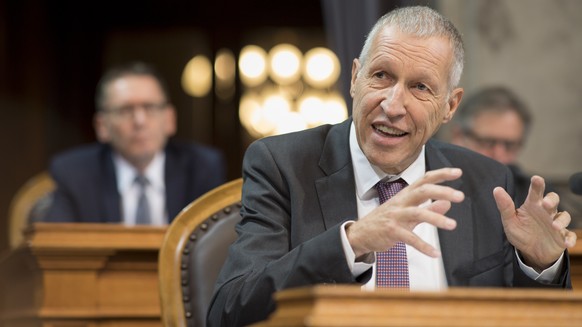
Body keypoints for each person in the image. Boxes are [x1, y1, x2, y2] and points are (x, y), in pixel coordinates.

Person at [207, 6, 576, 327]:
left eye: (419, 87)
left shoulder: (484, 181)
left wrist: (539, 266)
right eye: (381, 76)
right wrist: (352, 243)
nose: (393, 105)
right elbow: (229, 310)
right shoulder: (284, 165)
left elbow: (521, 316)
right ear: (354, 78)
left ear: (450, 106)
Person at [44, 61, 226, 225]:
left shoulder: (203, 167)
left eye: (150, 108)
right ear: (102, 126)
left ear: (170, 119)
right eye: (125, 110)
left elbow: (214, 247)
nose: (140, 121)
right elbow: (60, 251)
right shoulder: (74, 172)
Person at [448, 86, 537, 206]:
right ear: (458, 136)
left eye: (509, 145)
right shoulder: (434, 185)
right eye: (487, 142)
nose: (499, 155)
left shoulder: (533, 198)